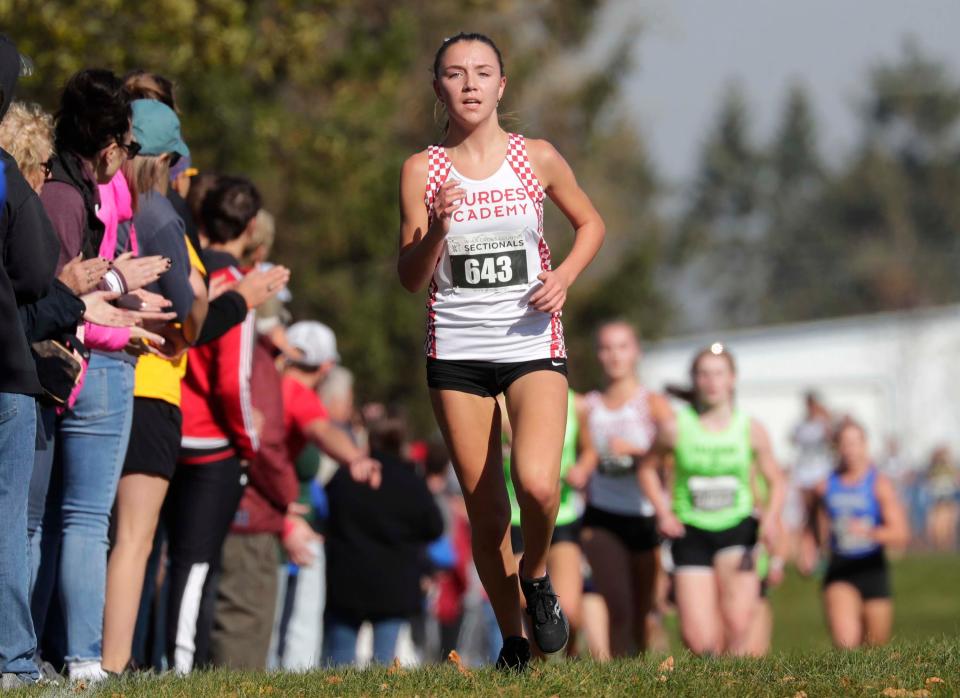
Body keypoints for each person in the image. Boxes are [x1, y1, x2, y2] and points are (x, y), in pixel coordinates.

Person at [396, 32, 605, 670]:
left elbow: (590, 224)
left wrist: (563, 278)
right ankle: (514, 640)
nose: (469, 84)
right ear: (439, 89)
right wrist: (436, 230)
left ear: (501, 85)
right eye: (455, 74)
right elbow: (409, 276)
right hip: (456, 350)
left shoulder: (535, 157)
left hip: (531, 341)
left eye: (482, 72)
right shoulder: (421, 170)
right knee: (486, 516)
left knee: (538, 487)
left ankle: (537, 577)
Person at [31, 70, 172, 683]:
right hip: (87, 364)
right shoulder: (71, 197)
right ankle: (78, 657)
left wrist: (114, 298)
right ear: (110, 144)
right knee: (80, 521)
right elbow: (64, 292)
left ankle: (34, 653)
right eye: (130, 147)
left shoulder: (63, 190)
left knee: (52, 520)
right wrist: (119, 301)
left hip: (81, 359)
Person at [100, 99, 207, 675]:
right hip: (151, 384)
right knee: (134, 540)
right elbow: (188, 315)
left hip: (95, 373)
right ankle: (110, 665)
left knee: (87, 527)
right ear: (164, 159)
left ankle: (62, 651)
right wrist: (200, 302)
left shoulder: (103, 198)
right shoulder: (160, 213)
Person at [166, 175, 263, 674]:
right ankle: (182, 665)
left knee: (155, 553)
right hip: (212, 442)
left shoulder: (189, 269)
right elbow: (234, 382)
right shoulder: (238, 287)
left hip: (171, 422)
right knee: (196, 561)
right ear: (249, 227)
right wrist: (249, 444)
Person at [639, 344, 785, 656]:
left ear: (732, 379)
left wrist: (771, 519)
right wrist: (663, 512)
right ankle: (714, 672)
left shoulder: (751, 428)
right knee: (699, 640)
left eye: (718, 374)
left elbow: (776, 480)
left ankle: (734, 681)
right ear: (694, 380)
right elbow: (647, 469)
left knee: (737, 623)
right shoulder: (675, 427)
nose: (711, 381)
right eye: (703, 374)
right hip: (691, 531)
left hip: (737, 527)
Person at [0, 35, 61, 689]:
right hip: (5, 369)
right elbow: (39, 270)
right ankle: (12, 658)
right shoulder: (4, 173)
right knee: (8, 517)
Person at [568, 321, 667, 656]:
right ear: (598, 355)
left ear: (636, 352)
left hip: (645, 516)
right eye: (607, 348)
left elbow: (673, 460)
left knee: (645, 613)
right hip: (602, 517)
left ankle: (638, 673)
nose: (614, 356)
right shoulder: (587, 407)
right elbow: (582, 453)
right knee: (619, 606)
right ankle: (619, 678)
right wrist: (582, 467)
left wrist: (637, 453)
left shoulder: (652, 404)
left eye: (622, 347)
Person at [323, 416, 444, 666]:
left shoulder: (346, 477)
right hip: (394, 584)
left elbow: (326, 514)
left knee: (338, 660)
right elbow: (434, 527)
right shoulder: (411, 483)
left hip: (347, 580)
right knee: (383, 663)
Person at [808, 418, 910, 648]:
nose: (850, 450)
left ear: (865, 445)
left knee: (874, 649)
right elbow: (812, 520)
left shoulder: (879, 484)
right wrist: (810, 547)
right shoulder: (825, 485)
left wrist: (870, 532)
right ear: (837, 448)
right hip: (840, 568)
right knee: (847, 646)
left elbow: (901, 533)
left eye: (855, 443)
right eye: (844, 443)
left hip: (872, 567)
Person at [503, 389, 584, 657]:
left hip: (561, 517)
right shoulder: (495, 403)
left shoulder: (575, 402)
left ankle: (571, 660)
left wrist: (583, 468)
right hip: (515, 519)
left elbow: (590, 448)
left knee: (570, 609)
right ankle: (539, 664)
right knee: (527, 600)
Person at [923, 446, 958, 552]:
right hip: (938, 500)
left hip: (948, 499)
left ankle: (946, 545)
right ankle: (939, 545)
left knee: (948, 523)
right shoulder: (933, 468)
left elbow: (956, 481)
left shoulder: (950, 468)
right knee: (939, 524)